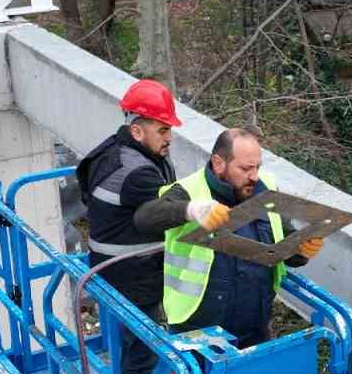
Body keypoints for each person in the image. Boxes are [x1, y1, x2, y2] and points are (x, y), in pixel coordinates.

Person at [134, 127, 324, 350]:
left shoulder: (266, 188)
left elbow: (284, 243)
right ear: (218, 163)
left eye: (257, 167)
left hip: (255, 327)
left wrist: (301, 250)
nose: (253, 175)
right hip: (198, 330)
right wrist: (191, 210)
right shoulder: (190, 191)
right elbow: (144, 219)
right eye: (245, 168)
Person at [77, 80, 182, 374]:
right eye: (163, 129)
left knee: (132, 348)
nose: (169, 137)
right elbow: (172, 214)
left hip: (111, 266)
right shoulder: (137, 172)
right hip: (130, 274)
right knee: (142, 351)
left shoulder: (117, 150)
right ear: (137, 129)